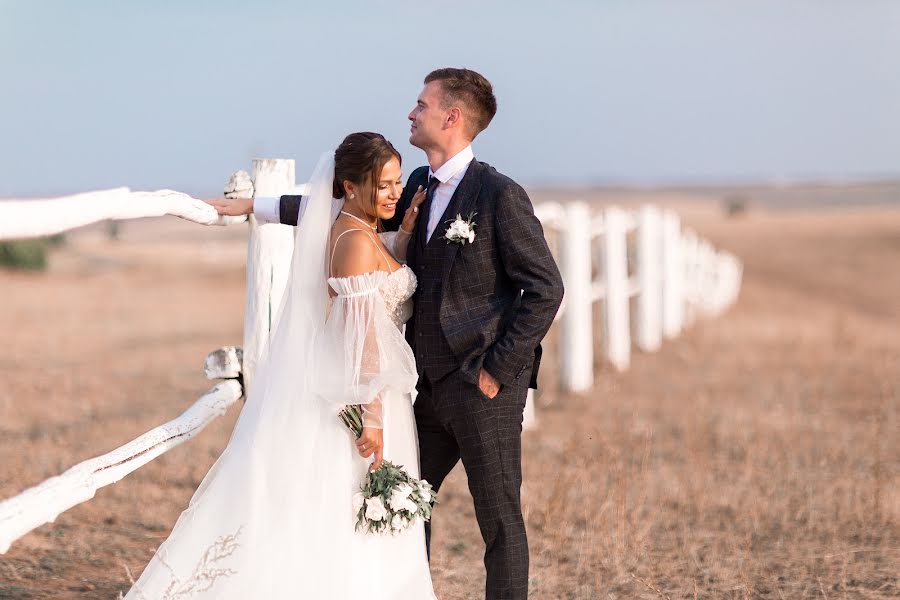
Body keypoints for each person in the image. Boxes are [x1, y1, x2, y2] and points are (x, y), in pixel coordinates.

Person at [213, 68, 565, 600]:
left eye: (421, 105)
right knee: (402, 505)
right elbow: (339, 209)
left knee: (499, 521)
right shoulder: (418, 185)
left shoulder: (498, 195)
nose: (410, 113)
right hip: (422, 388)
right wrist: (255, 209)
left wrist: (496, 371)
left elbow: (545, 288)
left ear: (451, 117)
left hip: (481, 388)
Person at [125, 132, 436, 599]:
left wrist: (405, 233)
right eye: (385, 185)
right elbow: (363, 338)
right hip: (363, 395)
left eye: (397, 182)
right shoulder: (353, 239)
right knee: (343, 514)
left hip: (369, 390)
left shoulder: (359, 228)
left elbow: (381, 273)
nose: (396, 193)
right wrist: (373, 418)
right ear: (349, 186)